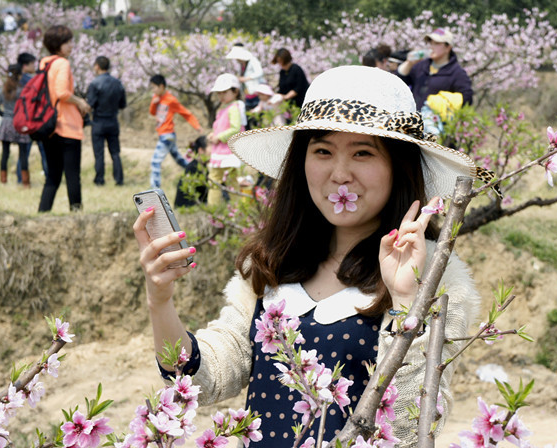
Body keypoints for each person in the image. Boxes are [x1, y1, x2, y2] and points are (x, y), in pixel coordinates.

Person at [133, 65, 480, 447]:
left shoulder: (434, 280)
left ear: (399, 166)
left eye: (363, 153)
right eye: (322, 151)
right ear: (301, 162)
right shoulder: (274, 262)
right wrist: (159, 300)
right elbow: (204, 376)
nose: (340, 174)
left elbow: (409, 432)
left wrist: (406, 302)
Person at [37, 25, 91, 212]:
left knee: (52, 175)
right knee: (72, 174)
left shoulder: (44, 63)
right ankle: (76, 212)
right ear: (58, 44)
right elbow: (61, 92)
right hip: (67, 125)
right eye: (67, 42)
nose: (71, 45)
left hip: (48, 125)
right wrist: (80, 102)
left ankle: (43, 211)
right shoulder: (62, 64)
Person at [397, 28, 474, 110]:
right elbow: (399, 83)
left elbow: (467, 98)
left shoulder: (457, 73)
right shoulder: (421, 66)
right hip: (413, 115)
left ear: (448, 48)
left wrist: (443, 102)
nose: (431, 47)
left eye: (437, 43)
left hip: (435, 117)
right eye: (431, 43)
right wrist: (409, 63)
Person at [148, 74, 203, 189]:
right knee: (180, 160)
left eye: (154, 87)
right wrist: (154, 103)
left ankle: (155, 189)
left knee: (155, 161)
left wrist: (196, 126)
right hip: (164, 135)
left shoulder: (171, 100)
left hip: (167, 135)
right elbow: (152, 112)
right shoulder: (156, 98)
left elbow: (186, 113)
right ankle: (198, 174)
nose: (153, 90)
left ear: (161, 86)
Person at [205, 73, 246, 205]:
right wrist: (213, 134)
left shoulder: (233, 108)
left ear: (235, 91)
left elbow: (235, 128)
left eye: (224, 92)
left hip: (228, 151)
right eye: (219, 93)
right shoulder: (224, 108)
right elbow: (221, 127)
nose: (221, 95)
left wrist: (219, 137)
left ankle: (218, 208)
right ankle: (233, 208)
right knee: (223, 179)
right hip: (222, 150)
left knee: (223, 179)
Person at [87, 56, 127, 186]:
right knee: (115, 152)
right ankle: (119, 179)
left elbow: (90, 104)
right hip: (113, 121)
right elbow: (123, 104)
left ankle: (99, 179)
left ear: (97, 66)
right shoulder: (118, 83)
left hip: (98, 121)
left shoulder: (94, 84)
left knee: (99, 153)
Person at [0, 64, 32, 185]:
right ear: (19, 75)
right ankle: (25, 182)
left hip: (6, 122)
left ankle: (3, 180)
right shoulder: (22, 91)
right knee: (23, 153)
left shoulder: (2, 90)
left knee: (5, 153)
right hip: (20, 123)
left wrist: (4, 115)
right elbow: (27, 108)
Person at [16, 52, 49, 181]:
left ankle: (21, 178)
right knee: (43, 150)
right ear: (25, 66)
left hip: (24, 120)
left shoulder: (17, 81)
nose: (34, 66)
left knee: (24, 152)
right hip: (35, 120)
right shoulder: (31, 81)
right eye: (32, 64)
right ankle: (49, 176)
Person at [226, 44, 266, 110]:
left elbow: (260, 72)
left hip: (257, 93)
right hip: (248, 95)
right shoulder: (241, 65)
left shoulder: (252, 61)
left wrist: (246, 79)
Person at [174, 136, 209, 207]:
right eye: (212, 146)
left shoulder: (197, 165)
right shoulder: (195, 168)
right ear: (201, 150)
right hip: (189, 209)